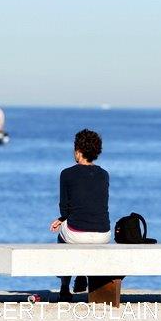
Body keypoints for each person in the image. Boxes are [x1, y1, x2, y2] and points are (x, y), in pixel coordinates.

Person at [49, 129, 111, 302]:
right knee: (80, 231)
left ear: (78, 151)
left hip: (77, 233)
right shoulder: (104, 174)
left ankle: (64, 288)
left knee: (63, 237)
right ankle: (83, 275)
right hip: (103, 234)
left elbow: (65, 210)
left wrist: (61, 220)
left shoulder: (67, 174)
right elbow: (94, 205)